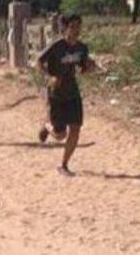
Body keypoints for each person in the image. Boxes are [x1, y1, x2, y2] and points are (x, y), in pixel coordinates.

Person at [36, 14, 97, 176]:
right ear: (65, 28)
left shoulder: (82, 48)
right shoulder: (57, 46)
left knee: (75, 129)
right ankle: (48, 126)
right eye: (73, 26)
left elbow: (83, 69)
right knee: (60, 135)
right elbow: (39, 61)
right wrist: (49, 77)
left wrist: (90, 67)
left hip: (72, 92)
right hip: (55, 93)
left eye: (78, 26)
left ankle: (64, 165)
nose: (76, 30)